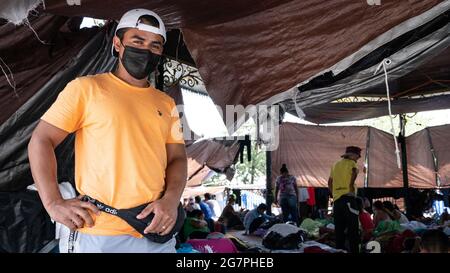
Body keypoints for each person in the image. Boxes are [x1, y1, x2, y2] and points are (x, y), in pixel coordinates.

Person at [28, 9, 187, 253]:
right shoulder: (86, 89)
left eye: (155, 45)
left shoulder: (166, 103)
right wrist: (52, 202)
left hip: (156, 232)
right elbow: (41, 139)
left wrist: (171, 200)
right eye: (138, 41)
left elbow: (177, 158)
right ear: (117, 43)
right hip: (99, 232)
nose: (146, 50)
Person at [328, 146, 362, 253]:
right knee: (353, 230)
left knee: (339, 230)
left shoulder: (335, 165)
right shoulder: (352, 163)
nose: (358, 159)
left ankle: (340, 250)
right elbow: (354, 172)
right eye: (357, 156)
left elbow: (329, 182)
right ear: (352, 155)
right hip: (348, 199)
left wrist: (334, 193)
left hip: (337, 201)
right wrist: (351, 186)